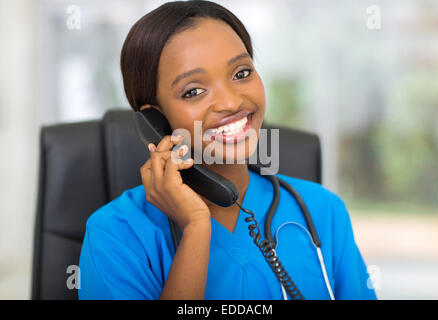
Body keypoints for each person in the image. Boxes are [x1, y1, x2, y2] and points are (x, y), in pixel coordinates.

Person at [78, 0, 377, 300]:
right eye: (193, 91)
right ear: (155, 121)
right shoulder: (114, 235)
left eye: (241, 73)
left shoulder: (321, 211)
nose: (231, 103)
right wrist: (195, 228)